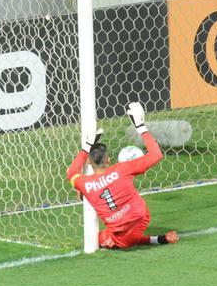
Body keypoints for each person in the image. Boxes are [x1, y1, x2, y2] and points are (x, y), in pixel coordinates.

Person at [66, 102, 178, 250]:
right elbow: (156, 154)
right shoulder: (122, 169)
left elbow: (71, 172)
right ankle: (158, 239)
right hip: (140, 218)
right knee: (121, 236)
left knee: (98, 240)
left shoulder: (85, 184)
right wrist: (140, 125)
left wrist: (87, 145)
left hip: (119, 231)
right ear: (108, 160)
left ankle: (156, 239)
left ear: (89, 161)